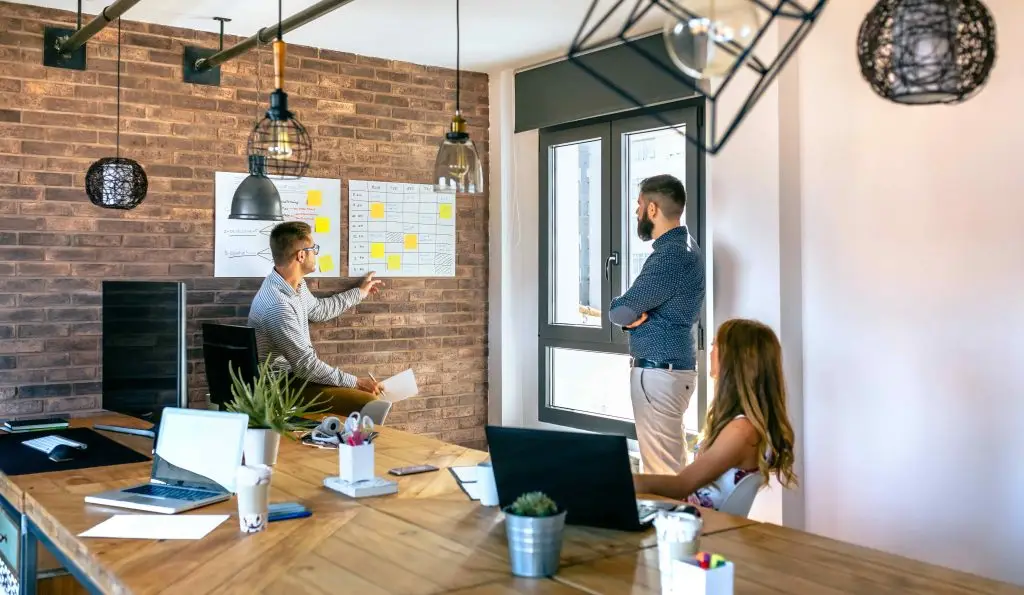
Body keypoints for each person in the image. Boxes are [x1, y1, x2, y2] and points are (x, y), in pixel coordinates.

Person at [633, 319, 798, 508]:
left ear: (734, 359)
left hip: (697, 521)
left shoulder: (742, 431)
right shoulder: (746, 425)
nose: (710, 352)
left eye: (715, 346)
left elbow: (681, 485)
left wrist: (620, 480)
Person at [609, 174, 705, 475]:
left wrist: (624, 314)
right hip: (670, 370)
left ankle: (671, 508)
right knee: (670, 464)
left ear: (652, 209)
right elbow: (631, 313)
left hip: (660, 373)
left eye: (639, 205)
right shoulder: (686, 248)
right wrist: (631, 319)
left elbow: (621, 311)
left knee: (662, 472)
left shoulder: (670, 257)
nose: (636, 212)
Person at [248, 221, 384, 415]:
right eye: (314, 249)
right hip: (282, 387)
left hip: (296, 377)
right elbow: (306, 366)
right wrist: (358, 382)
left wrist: (360, 293)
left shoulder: (293, 285)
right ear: (301, 255)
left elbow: (319, 310)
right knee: (369, 402)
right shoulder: (278, 306)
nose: (316, 253)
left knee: (365, 397)